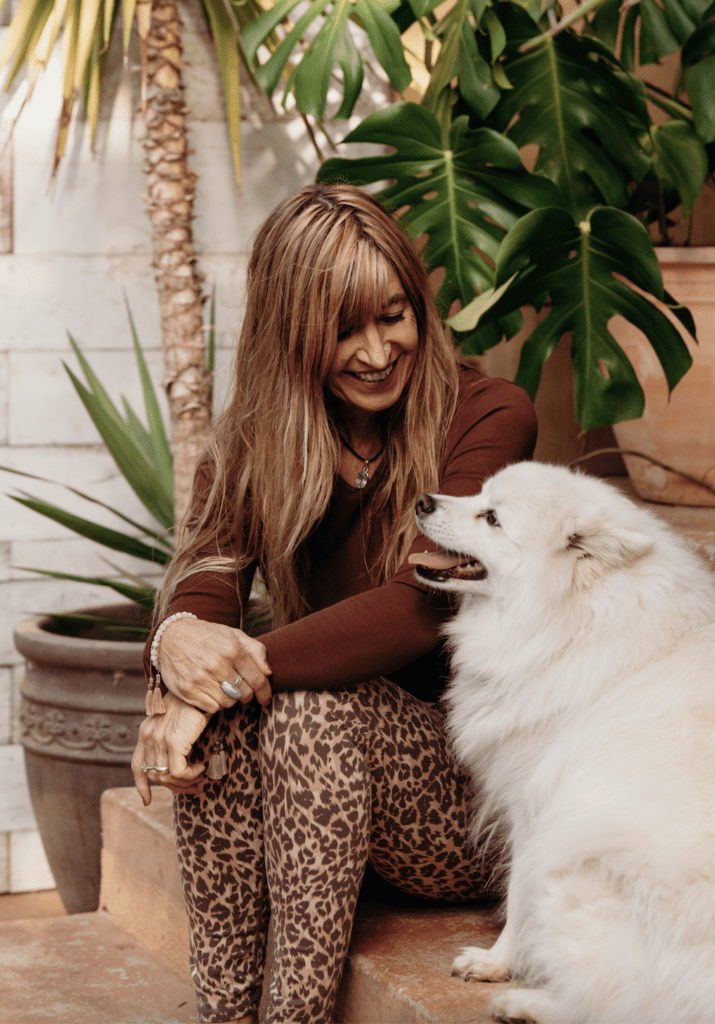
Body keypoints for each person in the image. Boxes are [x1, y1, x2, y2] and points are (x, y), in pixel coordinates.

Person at [131, 183, 538, 1024]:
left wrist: (214, 675)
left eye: (392, 315)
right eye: (342, 328)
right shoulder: (257, 439)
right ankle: (226, 1014)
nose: (377, 350)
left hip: (463, 803)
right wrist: (177, 645)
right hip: (316, 806)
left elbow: (421, 605)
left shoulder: (488, 416)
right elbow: (207, 569)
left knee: (298, 705)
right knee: (236, 709)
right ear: (291, 332)